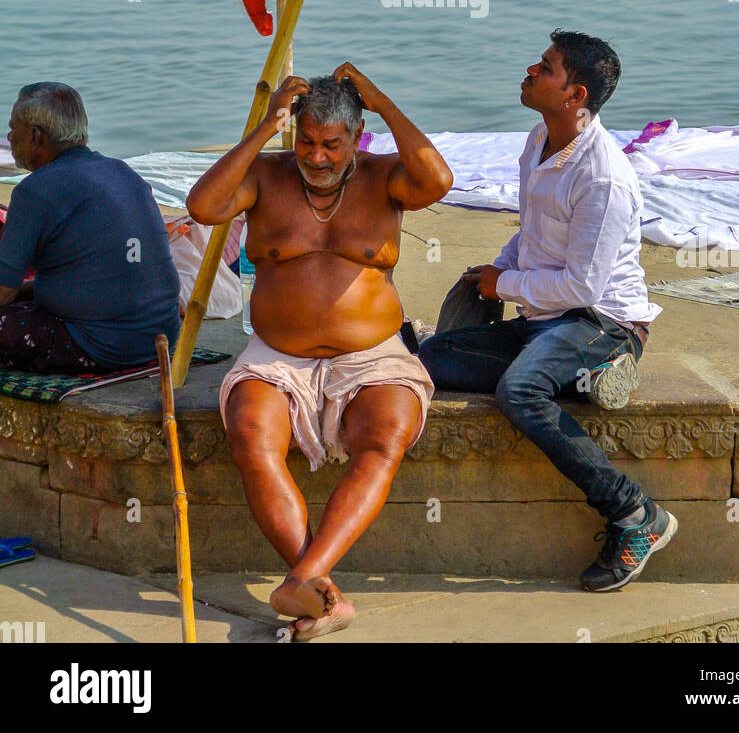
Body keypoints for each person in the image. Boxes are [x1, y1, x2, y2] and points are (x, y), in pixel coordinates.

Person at [186, 64, 452, 641]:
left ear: (356, 138)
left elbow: (439, 179)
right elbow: (204, 207)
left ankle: (304, 576)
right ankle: (321, 591)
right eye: (306, 141)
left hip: (374, 355)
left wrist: (380, 99)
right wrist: (265, 126)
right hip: (276, 355)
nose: (318, 156)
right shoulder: (265, 174)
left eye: (332, 144)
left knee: (384, 440)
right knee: (251, 437)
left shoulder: (385, 177)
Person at [419, 31, 677, 593]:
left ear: (574, 94)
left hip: (601, 322)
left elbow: (584, 285)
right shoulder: (540, 138)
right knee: (431, 358)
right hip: (547, 318)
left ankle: (636, 517)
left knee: (520, 392)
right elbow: (530, 237)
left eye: (547, 67)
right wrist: (493, 272)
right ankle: (583, 379)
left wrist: (503, 285)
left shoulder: (603, 177)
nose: (531, 69)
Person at [0, 83, 181, 373]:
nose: (9, 137)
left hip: (103, 347)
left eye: (13, 128)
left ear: (36, 136)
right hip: (162, 337)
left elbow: (3, 291)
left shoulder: (34, 191)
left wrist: (17, 293)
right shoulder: (123, 172)